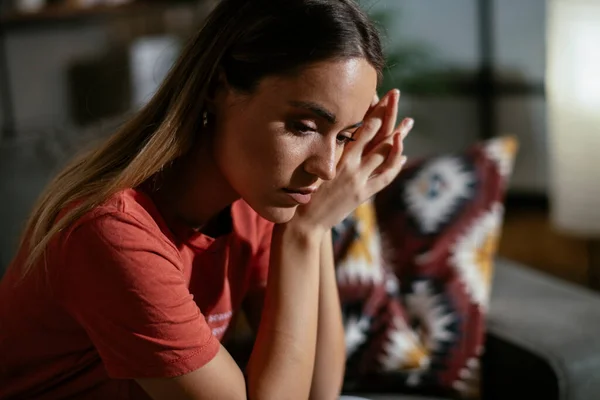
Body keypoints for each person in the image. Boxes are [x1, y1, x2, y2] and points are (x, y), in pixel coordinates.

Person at [0, 0, 414, 399]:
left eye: (344, 137)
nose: (327, 167)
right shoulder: (114, 233)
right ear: (218, 87)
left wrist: (314, 223)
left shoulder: (255, 204)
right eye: (303, 126)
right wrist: (305, 233)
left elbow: (321, 391)